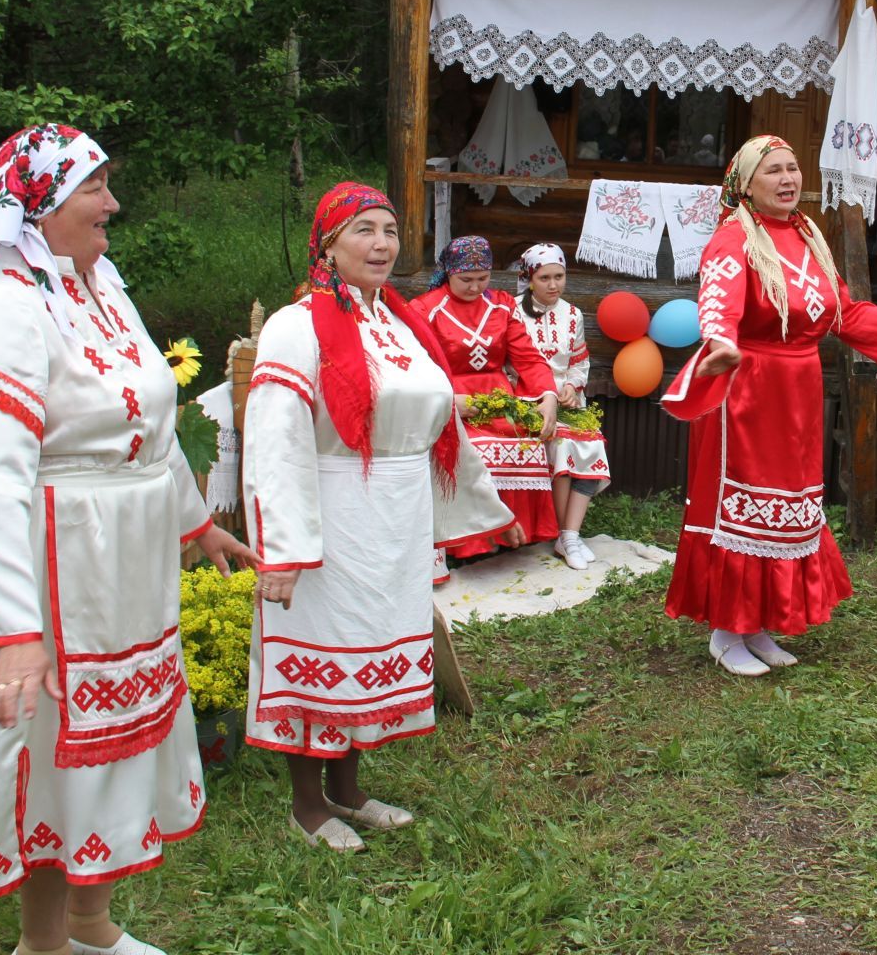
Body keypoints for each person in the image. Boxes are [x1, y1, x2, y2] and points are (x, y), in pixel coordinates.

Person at [0, 124, 259, 955]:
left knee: (111, 749)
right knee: (53, 757)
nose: (113, 203)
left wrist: (192, 520)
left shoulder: (98, 281)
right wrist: (16, 633)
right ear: (37, 207)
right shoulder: (3, 308)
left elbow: (149, 420)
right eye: (94, 188)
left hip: (121, 566)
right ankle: (42, 947)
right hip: (54, 571)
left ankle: (91, 926)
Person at [245, 184, 514, 850]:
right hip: (330, 509)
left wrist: (484, 510)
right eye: (363, 230)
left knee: (367, 646)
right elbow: (275, 441)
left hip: (394, 515)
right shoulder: (296, 325)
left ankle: (349, 789)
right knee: (323, 647)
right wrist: (283, 546)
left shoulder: (399, 323)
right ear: (328, 245)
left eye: (390, 230)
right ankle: (308, 805)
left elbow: (438, 422)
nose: (382, 244)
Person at [662, 135, 877, 675]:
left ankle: (763, 624)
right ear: (747, 184)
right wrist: (720, 340)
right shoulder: (733, 239)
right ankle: (728, 631)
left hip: (797, 390)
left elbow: (844, 313)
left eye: (793, 168)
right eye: (773, 170)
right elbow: (719, 299)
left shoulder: (807, 239)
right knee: (746, 506)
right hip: (748, 388)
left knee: (788, 505)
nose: (788, 179)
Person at [410, 237, 561, 557]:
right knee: (474, 450)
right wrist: (449, 403)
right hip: (451, 401)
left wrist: (548, 395)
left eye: (484, 278)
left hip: (498, 401)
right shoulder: (425, 309)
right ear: (449, 273)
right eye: (466, 279)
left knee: (523, 440)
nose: (476, 287)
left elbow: (529, 360)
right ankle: (468, 543)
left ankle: (513, 537)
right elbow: (413, 368)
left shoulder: (502, 306)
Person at [510, 244, 610, 569]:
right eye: (545, 278)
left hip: (569, 401)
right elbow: (507, 365)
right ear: (529, 278)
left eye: (559, 276)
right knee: (565, 442)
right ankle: (565, 535)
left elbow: (579, 362)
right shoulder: (512, 313)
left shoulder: (573, 315)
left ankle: (569, 534)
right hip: (527, 401)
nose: (554, 285)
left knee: (592, 444)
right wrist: (538, 393)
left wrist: (571, 386)